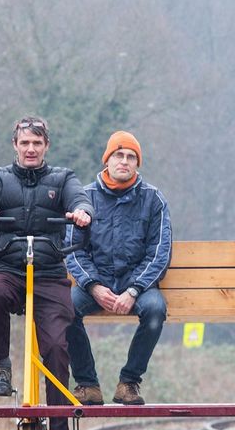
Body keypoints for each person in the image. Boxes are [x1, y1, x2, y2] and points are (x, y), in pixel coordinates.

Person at [0, 116, 93, 430]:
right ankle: (3, 365)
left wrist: (81, 213)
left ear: (46, 146)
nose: (31, 149)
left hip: (49, 271)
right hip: (9, 266)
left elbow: (80, 200)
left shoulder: (62, 178)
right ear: (15, 146)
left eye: (37, 143)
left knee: (55, 345)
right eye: (25, 143)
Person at [65, 131, 172, 405]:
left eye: (130, 157)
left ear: (137, 163)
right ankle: (88, 385)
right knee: (64, 310)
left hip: (139, 285)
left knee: (155, 310)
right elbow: (73, 251)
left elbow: (159, 251)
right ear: (107, 160)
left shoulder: (153, 199)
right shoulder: (84, 198)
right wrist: (93, 286)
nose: (124, 161)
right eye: (118, 155)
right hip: (95, 283)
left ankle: (129, 383)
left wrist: (134, 289)